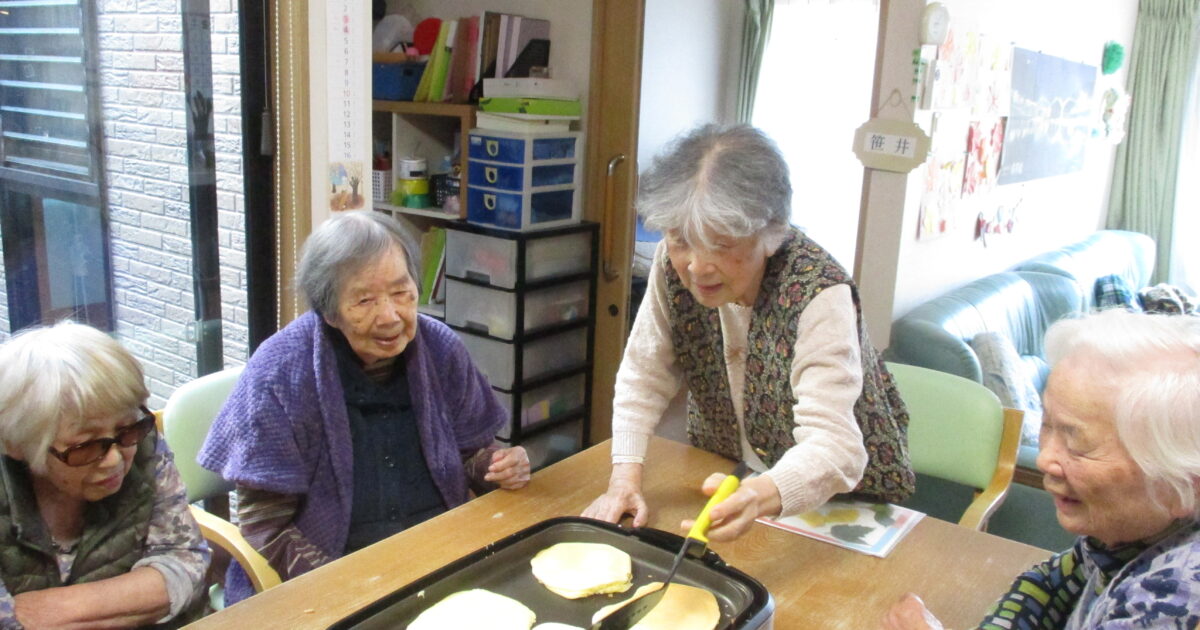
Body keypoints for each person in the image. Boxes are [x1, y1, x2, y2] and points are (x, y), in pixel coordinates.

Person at [583, 124, 915, 541]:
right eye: (682, 239)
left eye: (721, 244)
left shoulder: (819, 293)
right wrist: (624, 480)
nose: (697, 266)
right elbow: (643, 373)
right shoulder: (672, 261)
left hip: (842, 501)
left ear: (772, 231)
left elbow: (835, 447)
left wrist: (759, 496)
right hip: (734, 479)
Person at [198, 210, 530, 605]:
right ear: (327, 309)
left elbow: (470, 453)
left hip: (439, 555)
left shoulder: (440, 348)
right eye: (365, 300)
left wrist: (499, 465)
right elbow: (264, 524)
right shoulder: (280, 373)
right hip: (330, 574)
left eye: (402, 292)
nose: (390, 316)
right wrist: (345, 588)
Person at [883, 309, 1200, 629]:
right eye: (1048, 426)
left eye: (1078, 443)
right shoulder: (1125, 531)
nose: (1044, 459)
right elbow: (1047, 584)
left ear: (1183, 486)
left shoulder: (1169, 604)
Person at [0, 322, 209, 628]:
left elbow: (186, 563)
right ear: (16, 445)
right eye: (84, 446)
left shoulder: (142, 445)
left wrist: (44, 611)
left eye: (127, 429)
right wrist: (134, 595)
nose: (114, 461)